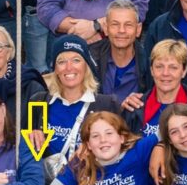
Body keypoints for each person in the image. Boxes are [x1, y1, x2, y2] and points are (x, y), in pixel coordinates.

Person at [31, 35, 123, 170]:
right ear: (55, 69)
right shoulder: (39, 102)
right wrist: (30, 139)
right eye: (61, 62)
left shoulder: (106, 105)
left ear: (87, 65)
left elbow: (122, 151)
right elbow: (26, 154)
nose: (69, 67)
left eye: (76, 60)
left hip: (93, 183)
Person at [43, 111, 158, 185]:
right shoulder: (81, 161)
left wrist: (160, 147)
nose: (103, 140)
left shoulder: (138, 150)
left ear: (122, 138)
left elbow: (167, 130)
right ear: (88, 144)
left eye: (109, 133)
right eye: (95, 136)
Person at [122, 38, 187, 138]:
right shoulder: (135, 106)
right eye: (159, 66)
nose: (165, 73)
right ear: (152, 70)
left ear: (184, 71)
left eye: (173, 67)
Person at [88, 0, 147, 104]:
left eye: (128, 25)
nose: (121, 30)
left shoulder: (150, 63)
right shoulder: (90, 58)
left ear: (138, 29)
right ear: (106, 28)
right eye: (115, 24)